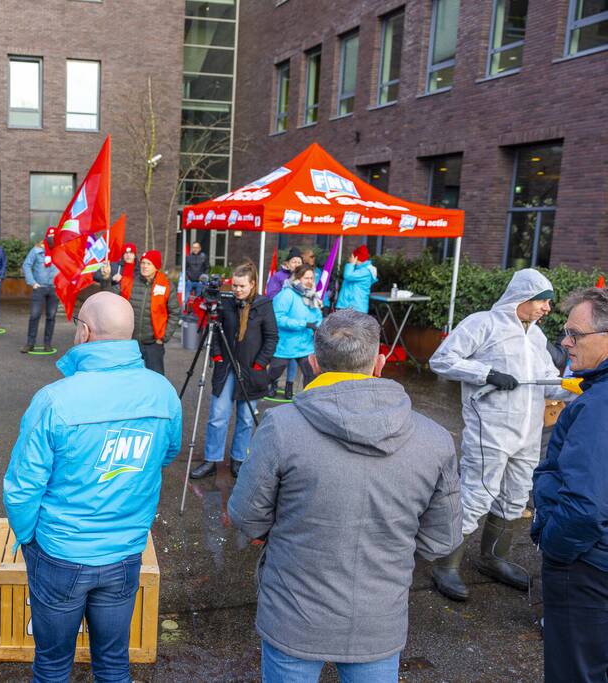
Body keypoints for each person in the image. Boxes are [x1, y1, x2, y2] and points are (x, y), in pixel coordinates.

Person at [229, 309, 462, 682]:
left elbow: (247, 516)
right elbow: (441, 540)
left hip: (293, 616)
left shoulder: (281, 428)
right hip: (378, 621)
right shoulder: (434, 439)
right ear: (379, 363)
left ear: (313, 363)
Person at [3, 291, 182, 683]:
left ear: (84, 331)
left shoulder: (54, 400)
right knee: (114, 663)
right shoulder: (163, 392)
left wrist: (29, 539)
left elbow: (22, 488)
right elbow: (166, 454)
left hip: (60, 551)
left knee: (52, 665)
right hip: (125, 550)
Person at [428, 269, 574, 601]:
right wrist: (486, 373)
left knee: (515, 495)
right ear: (522, 297)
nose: (547, 308)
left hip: (527, 433)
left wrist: (575, 387)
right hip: (490, 430)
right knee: (476, 495)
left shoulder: (536, 336)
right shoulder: (483, 324)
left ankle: (494, 558)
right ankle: (445, 565)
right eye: (542, 301)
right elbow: (442, 359)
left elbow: (547, 381)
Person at [531, 287, 608, 682]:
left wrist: (555, 547)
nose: (565, 342)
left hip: (586, 569)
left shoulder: (599, 406)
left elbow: (585, 508)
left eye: (575, 334)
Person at [190, 262, 278, 480]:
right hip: (227, 368)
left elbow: (272, 337)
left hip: (251, 371)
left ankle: (238, 458)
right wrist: (217, 356)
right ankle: (212, 459)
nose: (237, 290)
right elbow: (214, 331)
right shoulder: (226, 302)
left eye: (242, 286)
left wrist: (260, 364)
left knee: (246, 418)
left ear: (252, 284)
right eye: (235, 286)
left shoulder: (263, 305)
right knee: (218, 416)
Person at [267, 264, 322, 400]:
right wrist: (303, 324)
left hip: (305, 345)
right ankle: (254, 393)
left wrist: (319, 327)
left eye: (311, 278)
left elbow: (318, 318)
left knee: (311, 375)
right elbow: (277, 318)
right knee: (274, 373)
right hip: (286, 344)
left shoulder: (312, 296)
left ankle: (308, 401)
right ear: (297, 278)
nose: (309, 281)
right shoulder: (287, 294)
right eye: (306, 278)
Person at [123, 250, 180, 375]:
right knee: (130, 377)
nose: (144, 266)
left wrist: (164, 337)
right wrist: (106, 279)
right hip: (131, 343)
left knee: (156, 377)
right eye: (143, 263)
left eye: (148, 264)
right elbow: (113, 296)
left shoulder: (166, 285)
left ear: (156, 266)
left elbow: (175, 313)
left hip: (153, 343)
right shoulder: (130, 282)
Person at [21, 234, 58, 353]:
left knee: (51, 316)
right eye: (50, 237)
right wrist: (32, 282)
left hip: (54, 288)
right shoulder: (37, 250)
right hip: (39, 287)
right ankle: (30, 343)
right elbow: (27, 265)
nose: (52, 239)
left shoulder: (60, 250)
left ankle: (47, 344)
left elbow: (67, 265)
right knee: (34, 315)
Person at [335, 245, 378, 314]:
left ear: (356, 258)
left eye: (352, 257)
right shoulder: (356, 269)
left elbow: (348, 276)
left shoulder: (366, 271)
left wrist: (351, 264)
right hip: (348, 306)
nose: (350, 258)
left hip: (356, 307)